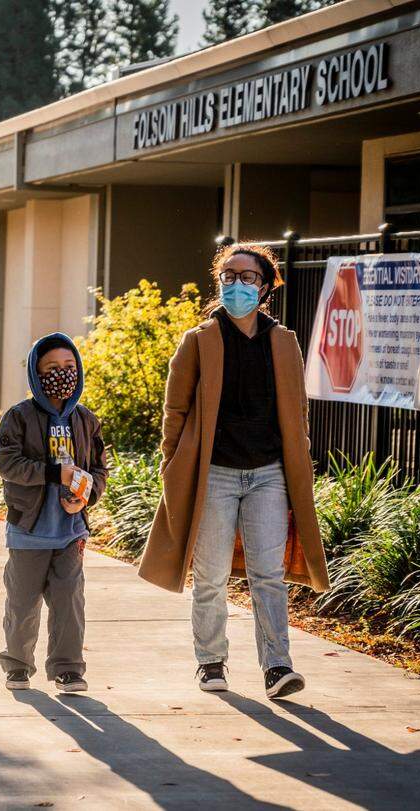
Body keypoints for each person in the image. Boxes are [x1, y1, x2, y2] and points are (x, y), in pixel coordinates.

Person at [138, 244, 330, 700]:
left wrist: (297, 464)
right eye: (229, 275)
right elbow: (175, 411)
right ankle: (210, 661)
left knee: (268, 574)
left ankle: (277, 666)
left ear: (264, 286)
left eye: (247, 277)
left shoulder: (283, 342)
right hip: (216, 474)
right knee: (211, 575)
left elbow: (297, 412)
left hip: (268, 473)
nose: (236, 284)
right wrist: (172, 467)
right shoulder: (200, 339)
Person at [0, 333, 108, 694]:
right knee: (22, 601)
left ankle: (68, 669)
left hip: (70, 531)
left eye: (70, 367)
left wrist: (85, 497)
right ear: (36, 374)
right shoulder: (19, 417)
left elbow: (99, 469)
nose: (63, 374)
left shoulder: (86, 420)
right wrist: (53, 474)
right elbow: (8, 462)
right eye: (53, 368)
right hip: (28, 530)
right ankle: (17, 665)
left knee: (69, 601)